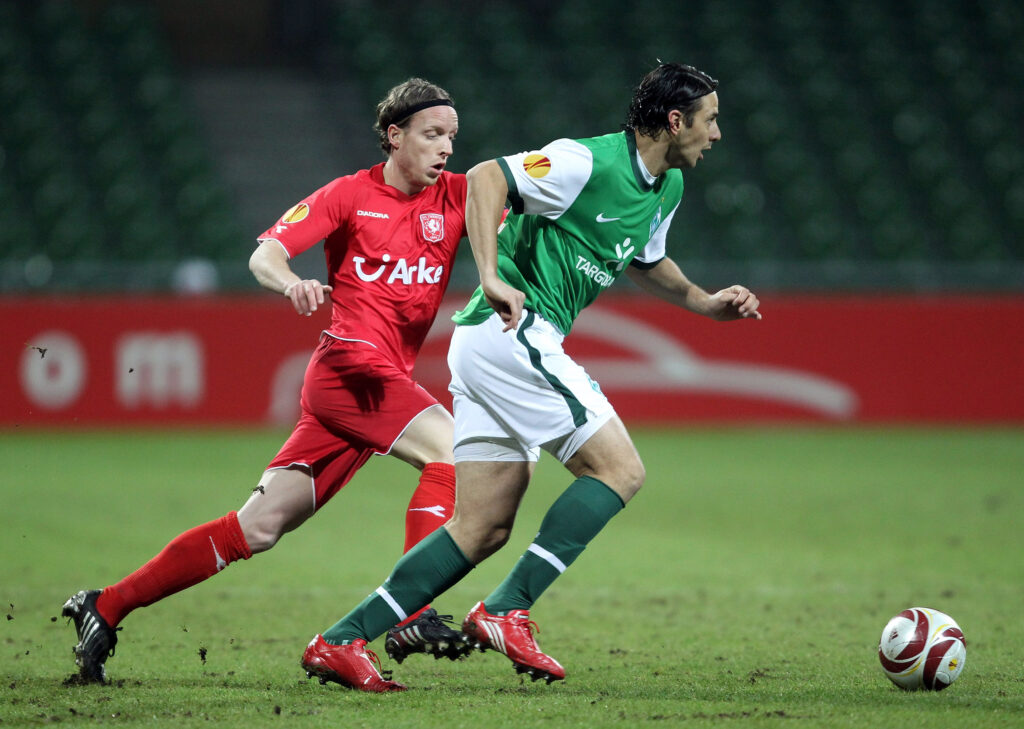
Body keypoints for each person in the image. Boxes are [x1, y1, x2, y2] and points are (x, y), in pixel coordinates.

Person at [300, 62, 762, 692]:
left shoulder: (667, 187)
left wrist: (707, 303)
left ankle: (341, 640)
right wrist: (490, 274)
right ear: (675, 120)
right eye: (709, 119)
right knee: (620, 471)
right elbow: (489, 177)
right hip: (512, 330)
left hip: (488, 346)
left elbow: (647, 261)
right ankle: (505, 610)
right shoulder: (585, 162)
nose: (716, 134)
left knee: (482, 525)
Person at [62, 78, 474, 688]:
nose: (445, 148)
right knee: (454, 451)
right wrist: (292, 283)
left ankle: (106, 605)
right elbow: (266, 255)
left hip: (376, 388)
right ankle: (410, 614)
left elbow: (536, 197)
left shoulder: (460, 196)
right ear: (395, 136)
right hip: (349, 369)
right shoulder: (346, 195)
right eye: (432, 134)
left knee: (257, 527)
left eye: (452, 137)